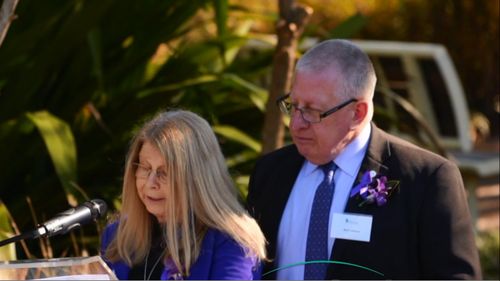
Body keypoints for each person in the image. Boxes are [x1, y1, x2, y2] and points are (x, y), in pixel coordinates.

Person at [247, 39, 482, 279]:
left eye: (312, 111)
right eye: (293, 106)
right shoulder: (270, 172)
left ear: (358, 113)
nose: (296, 124)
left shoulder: (425, 178)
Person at [101, 109, 266, 280]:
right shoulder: (117, 236)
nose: (151, 183)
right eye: (145, 168)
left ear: (198, 179)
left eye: (164, 172)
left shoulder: (231, 240)